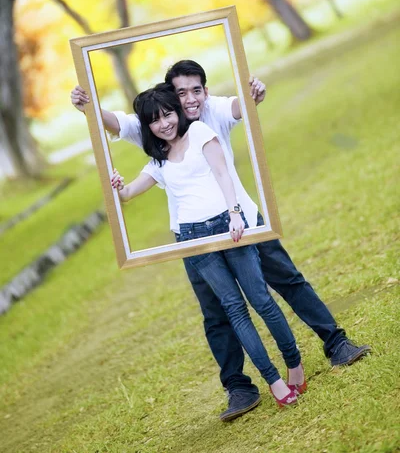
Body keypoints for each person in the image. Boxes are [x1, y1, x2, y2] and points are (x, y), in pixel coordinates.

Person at [71, 59, 370, 422]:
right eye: (182, 92)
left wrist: (253, 93)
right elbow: (116, 123)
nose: (190, 99)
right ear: (170, 95)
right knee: (217, 312)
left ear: (205, 90)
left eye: (197, 90)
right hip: (192, 233)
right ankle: (240, 386)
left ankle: (335, 343)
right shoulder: (160, 120)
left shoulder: (209, 111)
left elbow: (239, 106)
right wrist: (87, 104)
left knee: (285, 282)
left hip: (241, 218)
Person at [111, 84, 305, 409]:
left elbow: (223, 173)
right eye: (155, 120)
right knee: (234, 308)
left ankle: (294, 364)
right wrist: (117, 187)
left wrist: (234, 213)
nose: (164, 124)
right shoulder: (157, 162)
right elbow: (129, 194)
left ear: (176, 112)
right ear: (148, 127)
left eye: (168, 114)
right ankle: (272, 380)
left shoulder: (200, 131)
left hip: (228, 227)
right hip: (193, 239)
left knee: (260, 299)